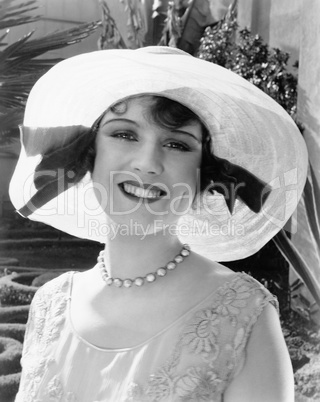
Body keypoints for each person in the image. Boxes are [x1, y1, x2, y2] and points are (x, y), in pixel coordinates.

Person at [9, 46, 308, 402]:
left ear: (203, 176)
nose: (148, 163)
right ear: (89, 155)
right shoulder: (49, 305)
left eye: (177, 144)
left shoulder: (243, 314)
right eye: (124, 134)